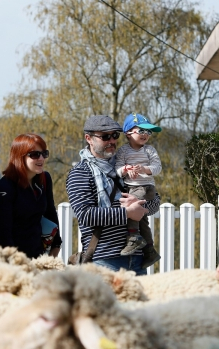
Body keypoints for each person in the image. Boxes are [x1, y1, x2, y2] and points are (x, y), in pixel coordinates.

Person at [65, 115, 161, 275]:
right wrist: (127, 213)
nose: (112, 141)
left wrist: (139, 204)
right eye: (105, 137)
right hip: (104, 260)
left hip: (137, 259)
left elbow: (155, 203)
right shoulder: (80, 173)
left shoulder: (127, 165)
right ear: (88, 138)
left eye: (115, 135)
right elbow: (85, 215)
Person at [0, 133, 62, 258]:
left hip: (37, 253)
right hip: (10, 258)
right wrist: (16, 260)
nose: (41, 158)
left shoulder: (45, 179)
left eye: (44, 153)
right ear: (20, 157)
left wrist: (57, 244)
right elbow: (4, 230)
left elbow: (50, 212)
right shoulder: (6, 185)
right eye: (35, 155)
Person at [115, 113, 162, 267]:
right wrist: (126, 169)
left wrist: (144, 169)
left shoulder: (149, 150)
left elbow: (157, 168)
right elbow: (117, 169)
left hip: (146, 187)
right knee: (142, 219)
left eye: (148, 132)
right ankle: (150, 250)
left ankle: (134, 237)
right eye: (141, 131)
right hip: (130, 187)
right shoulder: (123, 151)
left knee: (131, 207)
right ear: (128, 133)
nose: (146, 134)